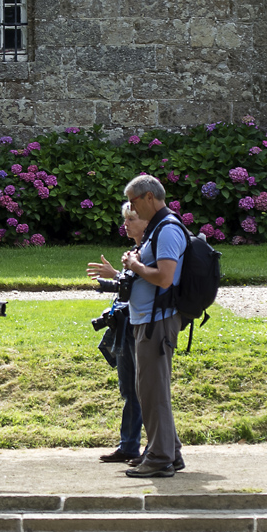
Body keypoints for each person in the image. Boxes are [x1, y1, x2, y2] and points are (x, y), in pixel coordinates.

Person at [119, 174, 186, 478]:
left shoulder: (168, 230)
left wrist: (135, 265)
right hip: (149, 320)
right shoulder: (157, 229)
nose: (130, 207)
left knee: (153, 392)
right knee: (150, 389)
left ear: (148, 197)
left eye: (133, 201)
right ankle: (171, 452)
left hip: (157, 323)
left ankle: (160, 458)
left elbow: (165, 277)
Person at [86, 202, 146, 464]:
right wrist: (111, 279)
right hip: (126, 327)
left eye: (131, 219)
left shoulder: (151, 249)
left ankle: (157, 450)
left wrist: (116, 276)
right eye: (125, 219)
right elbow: (129, 286)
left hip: (141, 327)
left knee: (145, 391)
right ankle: (129, 446)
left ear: (145, 220)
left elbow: (144, 288)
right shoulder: (136, 251)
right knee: (129, 390)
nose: (126, 224)